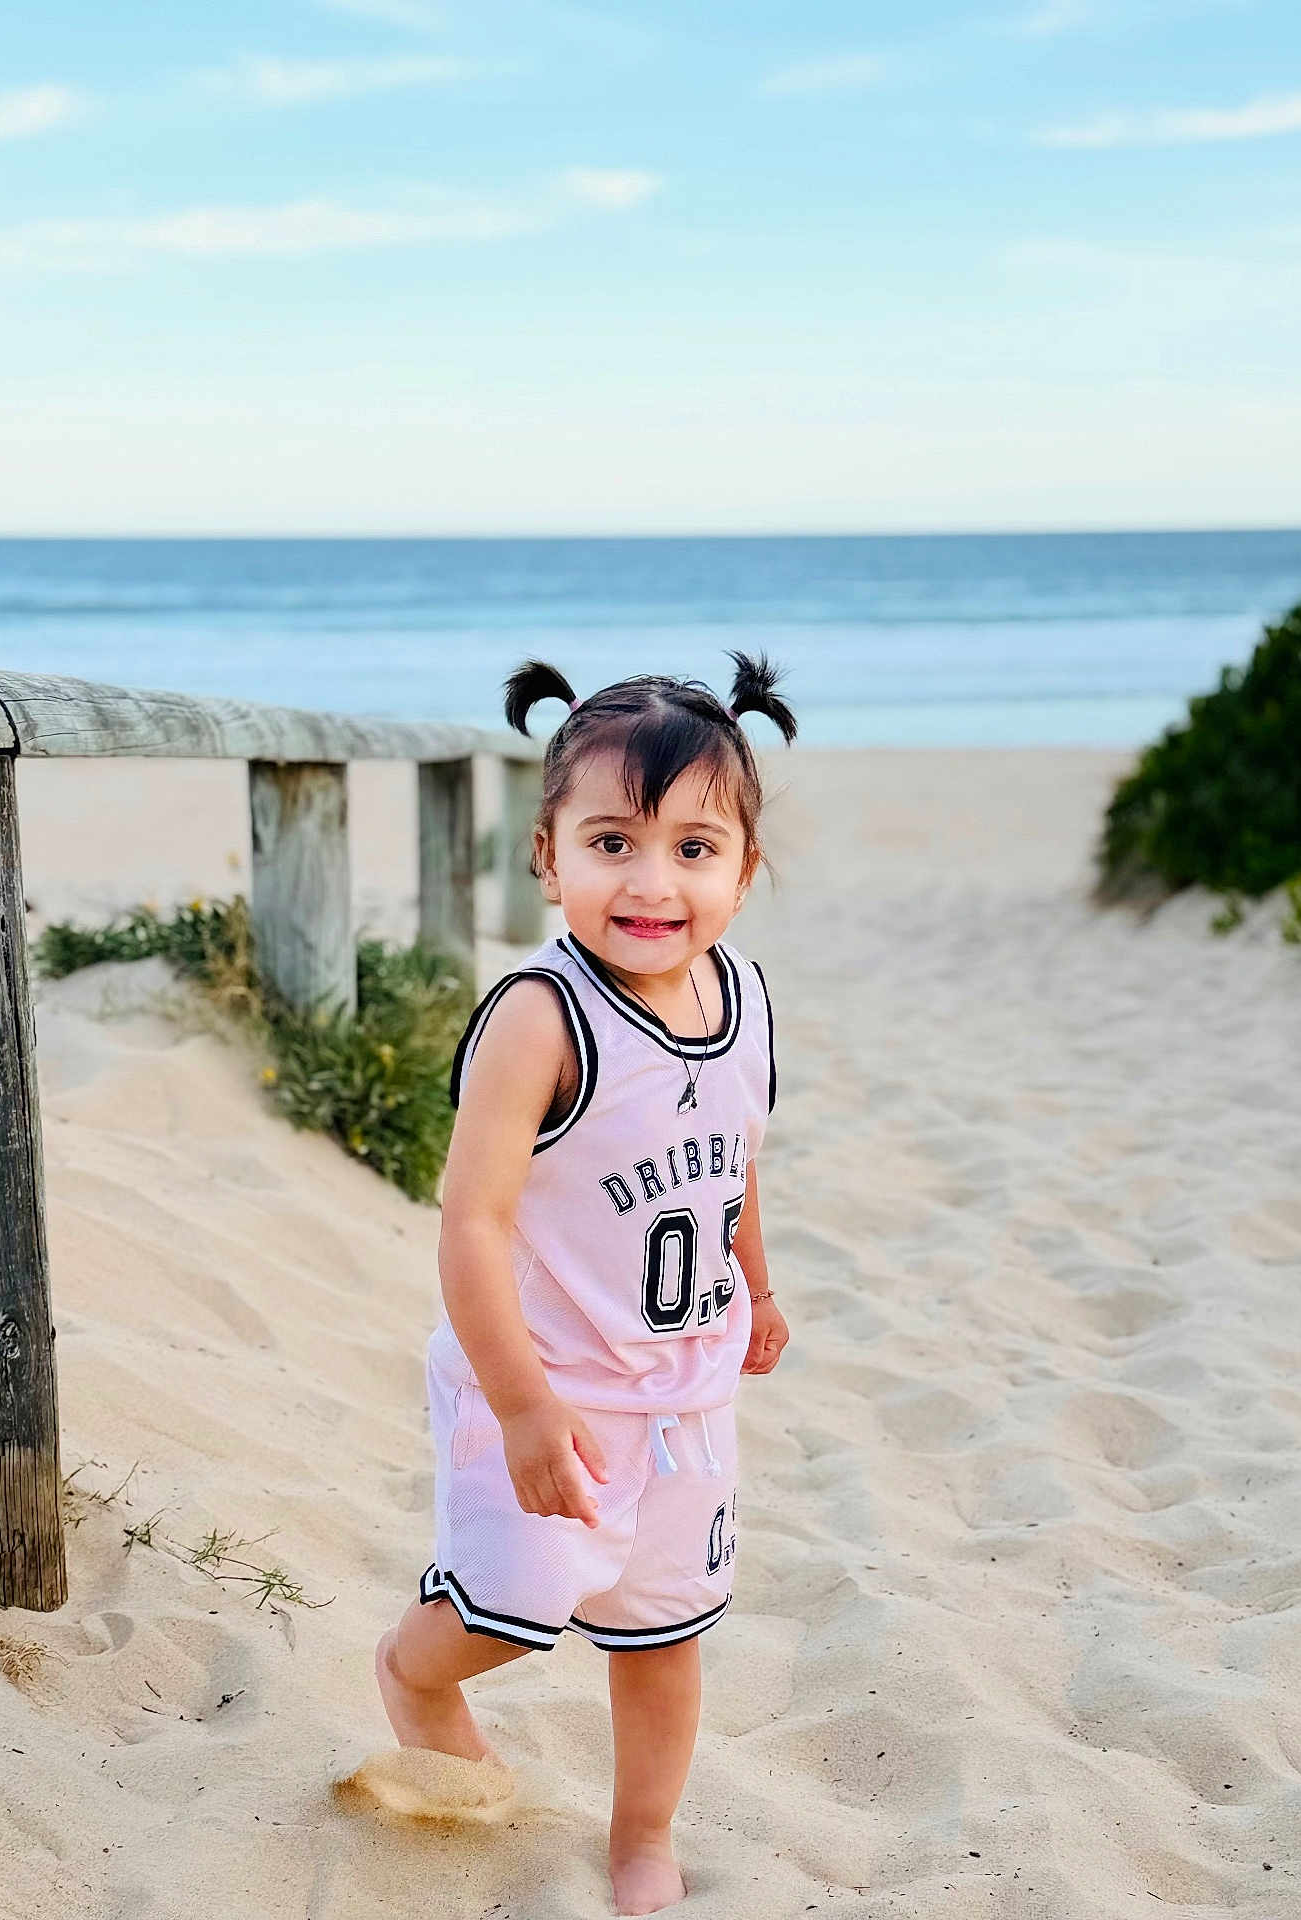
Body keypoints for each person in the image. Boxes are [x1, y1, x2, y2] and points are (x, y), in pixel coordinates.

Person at [376, 650, 795, 1916]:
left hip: (682, 1398)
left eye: (692, 848)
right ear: (549, 859)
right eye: (611, 842)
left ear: (742, 872)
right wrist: (518, 1406)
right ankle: (414, 1672)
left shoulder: (745, 999)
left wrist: (757, 1288)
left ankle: (640, 1838)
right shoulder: (540, 1021)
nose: (651, 881)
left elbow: (732, 1163)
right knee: (510, 1614)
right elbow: (471, 1221)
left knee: (665, 1639)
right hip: (547, 1389)